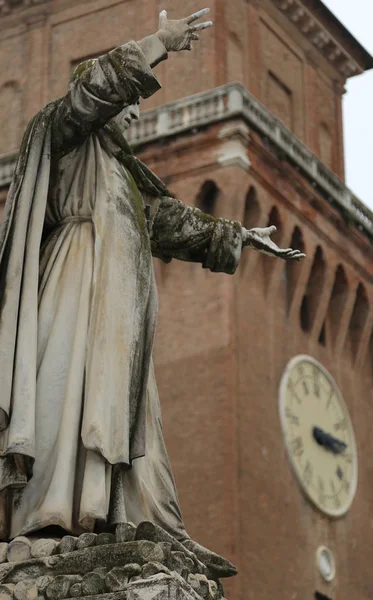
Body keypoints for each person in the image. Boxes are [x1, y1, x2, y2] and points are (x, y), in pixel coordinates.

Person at [0, 8, 304, 575]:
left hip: (119, 306)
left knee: (131, 410)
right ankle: (53, 511)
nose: (133, 118)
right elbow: (93, 93)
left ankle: (139, 520)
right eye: (128, 108)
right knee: (67, 395)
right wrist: (156, 45)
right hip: (74, 287)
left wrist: (239, 235)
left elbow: (169, 223)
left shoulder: (125, 177)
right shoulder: (63, 134)